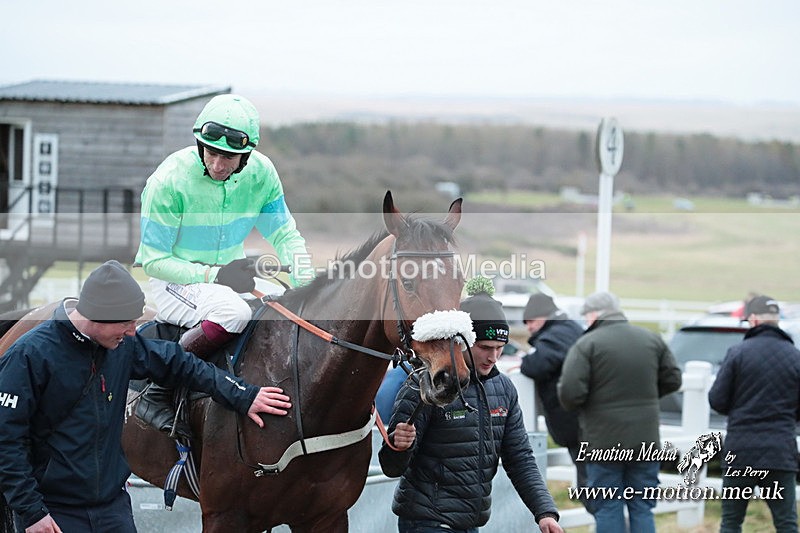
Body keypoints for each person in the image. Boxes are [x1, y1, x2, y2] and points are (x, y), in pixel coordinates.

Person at [0, 261, 292, 533]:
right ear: (97, 313)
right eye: (126, 323)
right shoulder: (29, 356)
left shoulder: (123, 346)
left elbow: (181, 363)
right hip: (55, 513)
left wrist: (243, 395)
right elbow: (6, 440)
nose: (132, 331)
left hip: (112, 508)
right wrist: (32, 513)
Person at [134, 93, 313, 436]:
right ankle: (158, 389)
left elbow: (285, 234)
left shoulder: (262, 173)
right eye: (211, 152)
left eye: (228, 157)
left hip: (229, 275)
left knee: (285, 306)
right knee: (234, 313)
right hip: (175, 277)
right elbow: (154, 261)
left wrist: (310, 282)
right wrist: (214, 275)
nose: (217, 165)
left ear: (247, 155)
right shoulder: (167, 181)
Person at [378, 277, 563, 533]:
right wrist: (400, 446)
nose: (494, 357)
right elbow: (390, 467)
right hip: (427, 523)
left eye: (500, 348)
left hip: (470, 524)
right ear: (461, 340)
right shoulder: (425, 385)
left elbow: (520, 457)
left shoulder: (504, 389)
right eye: (486, 347)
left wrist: (544, 512)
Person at [558, 291, 682, 533]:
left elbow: (570, 393)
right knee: (642, 506)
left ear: (595, 314)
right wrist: (646, 397)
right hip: (645, 440)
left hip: (603, 441)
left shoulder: (587, 344)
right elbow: (673, 380)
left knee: (607, 505)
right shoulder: (651, 339)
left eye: (586, 316)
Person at [708, 295, 800, 533]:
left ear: (754, 320)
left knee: (731, 522)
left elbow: (717, 400)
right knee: (786, 523)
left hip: (741, 453)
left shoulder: (737, 353)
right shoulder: (795, 357)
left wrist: (740, 409)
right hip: (780, 452)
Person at [518, 293, 590, 511]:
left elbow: (536, 365)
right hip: (586, 421)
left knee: (593, 491)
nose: (529, 327)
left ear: (542, 317)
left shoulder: (557, 334)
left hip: (578, 423)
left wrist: (523, 361)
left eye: (530, 321)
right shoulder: (569, 329)